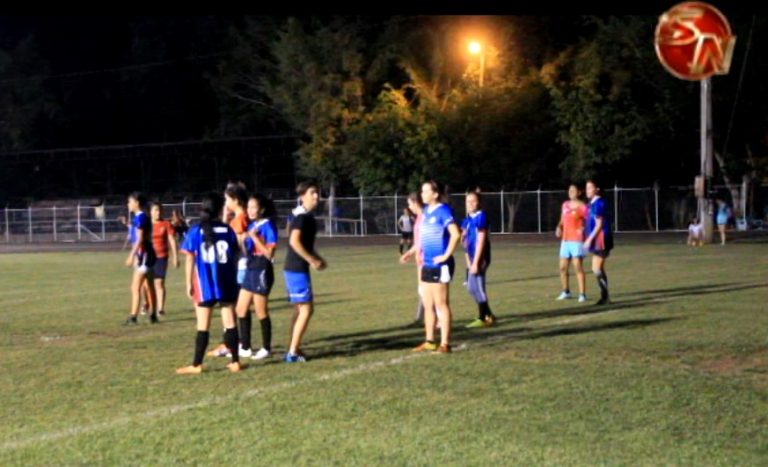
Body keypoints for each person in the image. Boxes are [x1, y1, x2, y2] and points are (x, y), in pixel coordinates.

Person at [176, 192, 242, 375]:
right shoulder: (228, 230)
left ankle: (196, 365)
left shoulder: (196, 231)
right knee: (230, 322)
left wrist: (188, 283)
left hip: (204, 284)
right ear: (220, 209)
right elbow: (235, 255)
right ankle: (235, 362)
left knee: (203, 325)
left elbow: (190, 259)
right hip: (226, 281)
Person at [412, 180, 461, 354]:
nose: (422, 194)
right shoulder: (425, 211)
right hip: (427, 263)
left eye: (426, 191)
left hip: (441, 265)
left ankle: (445, 344)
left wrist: (446, 255)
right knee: (428, 304)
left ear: (435, 194)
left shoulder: (444, 211)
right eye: (422, 191)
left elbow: (456, 235)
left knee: (441, 304)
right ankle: (430, 340)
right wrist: (417, 252)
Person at [283, 181, 327, 363]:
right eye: (312, 192)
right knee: (306, 310)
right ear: (302, 196)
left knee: (300, 309)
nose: (316, 196)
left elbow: (303, 244)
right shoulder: (302, 217)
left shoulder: (304, 216)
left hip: (295, 268)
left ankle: (294, 347)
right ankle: (292, 352)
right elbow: (294, 242)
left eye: (317, 192)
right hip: (296, 269)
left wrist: (316, 257)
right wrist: (311, 259)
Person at [208, 182, 251, 358]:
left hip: (239, 268)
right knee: (238, 308)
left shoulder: (239, 220)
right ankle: (237, 343)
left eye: (227, 199)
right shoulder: (242, 217)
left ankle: (237, 344)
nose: (225, 203)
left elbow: (234, 246)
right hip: (243, 268)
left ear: (235, 200)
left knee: (234, 308)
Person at [235, 194, 279, 361]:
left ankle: (266, 348)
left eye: (254, 207)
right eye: (249, 207)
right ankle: (245, 347)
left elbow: (269, 253)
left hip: (262, 269)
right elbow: (247, 252)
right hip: (251, 267)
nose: (251, 211)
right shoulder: (252, 225)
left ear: (261, 209)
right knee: (241, 308)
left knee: (261, 311)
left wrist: (254, 237)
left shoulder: (268, 226)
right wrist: (242, 240)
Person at [462, 190, 497, 328]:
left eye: (473, 201)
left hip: (481, 257)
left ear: (479, 203)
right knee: (471, 287)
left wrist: (476, 262)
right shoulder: (467, 220)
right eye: (468, 201)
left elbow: (481, 240)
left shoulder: (481, 216)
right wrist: (468, 262)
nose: (470, 204)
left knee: (478, 287)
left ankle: (483, 317)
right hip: (472, 258)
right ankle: (489, 315)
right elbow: (464, 242)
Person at [123, 192, 158, 325]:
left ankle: (133, 317)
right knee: (149, 286)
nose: (128, 204)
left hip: (144, 255)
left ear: (137, 202)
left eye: (130, 201)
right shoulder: (141, 217)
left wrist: (132, 255)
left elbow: (140, 239)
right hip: (147, 255)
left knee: (135, 287)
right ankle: (153, 315)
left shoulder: (141, 218)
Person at [142, 201, 179, 317]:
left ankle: (160, 309)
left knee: (159, 282)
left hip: (161, 257)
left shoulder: (166, 224)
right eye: (155, 210)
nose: (158, 213)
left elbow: (172, 240)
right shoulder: (146, 224)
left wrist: (175, 256)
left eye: (159, 210)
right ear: (150, 212)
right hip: (147, 257)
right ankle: (146, 303)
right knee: (146, 284)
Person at [555, 184, 588, 302]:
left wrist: (584, 229)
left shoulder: (582, 206)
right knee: (562, 268)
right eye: (569, 190)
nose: (571, 192)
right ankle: (566, 291)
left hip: (577, 240)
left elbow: (589, 220)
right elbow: (562, 219)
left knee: (577, 266)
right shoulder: (565, 205)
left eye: (573, 190)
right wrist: (559, 227)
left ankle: (582, 294)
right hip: (565, 240)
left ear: (579, 192)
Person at [583, 180, 613, 306]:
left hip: (601, 239)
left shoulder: (599, 203)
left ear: (597, 189)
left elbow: (599, 225)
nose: (587, 190)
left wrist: (589, 239)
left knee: (596, 268)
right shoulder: (591, 204)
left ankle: (605, 297)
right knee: (597, 269)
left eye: (590, 187)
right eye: (586, 188)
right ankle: (605, 297)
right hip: (596, 240)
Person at [399, 192, 425, 327]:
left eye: (409, 203)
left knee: (426, 291)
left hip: (426, 260)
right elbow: (419, 241)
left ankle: (437, 320)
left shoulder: (424, 217)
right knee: (422, 290)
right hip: (420, 259)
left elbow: (423, 240)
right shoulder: (419, 218)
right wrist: (410, 253)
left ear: (415, 202)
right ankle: (420, 319)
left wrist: (409, 252)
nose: (409, 207)